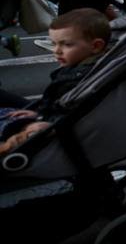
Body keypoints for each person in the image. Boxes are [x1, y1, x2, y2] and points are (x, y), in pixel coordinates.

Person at [0, 10, 110, 154]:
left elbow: (76, 114)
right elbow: (56, 102)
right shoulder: (76, 69)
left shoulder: (83, 79)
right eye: (54, 44)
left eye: (67, 45)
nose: (57, 51)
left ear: (95, 46)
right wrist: (37, 112)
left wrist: (42, 118)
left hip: (48, 128)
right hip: (44, 116)